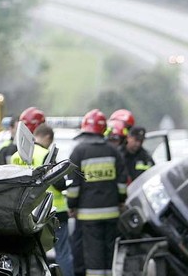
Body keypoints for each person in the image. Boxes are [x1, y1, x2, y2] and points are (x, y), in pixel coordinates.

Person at [66, 109, 126, 276]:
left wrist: (72, 205)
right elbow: (122, 183)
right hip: (112, 213)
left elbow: (74, 185)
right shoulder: (113, 151)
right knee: (109, 253)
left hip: (88, 215)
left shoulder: (79, 152)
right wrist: (121, 201)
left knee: (93, 256)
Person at [10, 124, 73, 276]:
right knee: (63, 252)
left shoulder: (15, 156)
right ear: (47, 138)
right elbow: (58, 183)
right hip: (53, 210)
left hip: (27, 212)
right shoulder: (46, 154)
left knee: (34, 252)